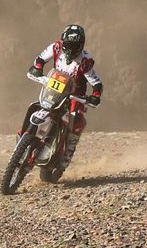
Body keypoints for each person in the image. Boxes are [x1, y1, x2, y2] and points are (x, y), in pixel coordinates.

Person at [25, 23, 103, 164]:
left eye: (75, 45)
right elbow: (40, 59)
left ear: (81, 44)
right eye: (69, 44)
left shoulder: (85, 60)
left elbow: (96, 82)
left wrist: (95, 96)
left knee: (75, 119)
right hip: (55, 88)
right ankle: (25, 134)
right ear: (63, 41)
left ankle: (67, 154)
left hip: (75, 93)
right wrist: (37, 68)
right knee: (36, 105)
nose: (71, 48)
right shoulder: (56, 47)